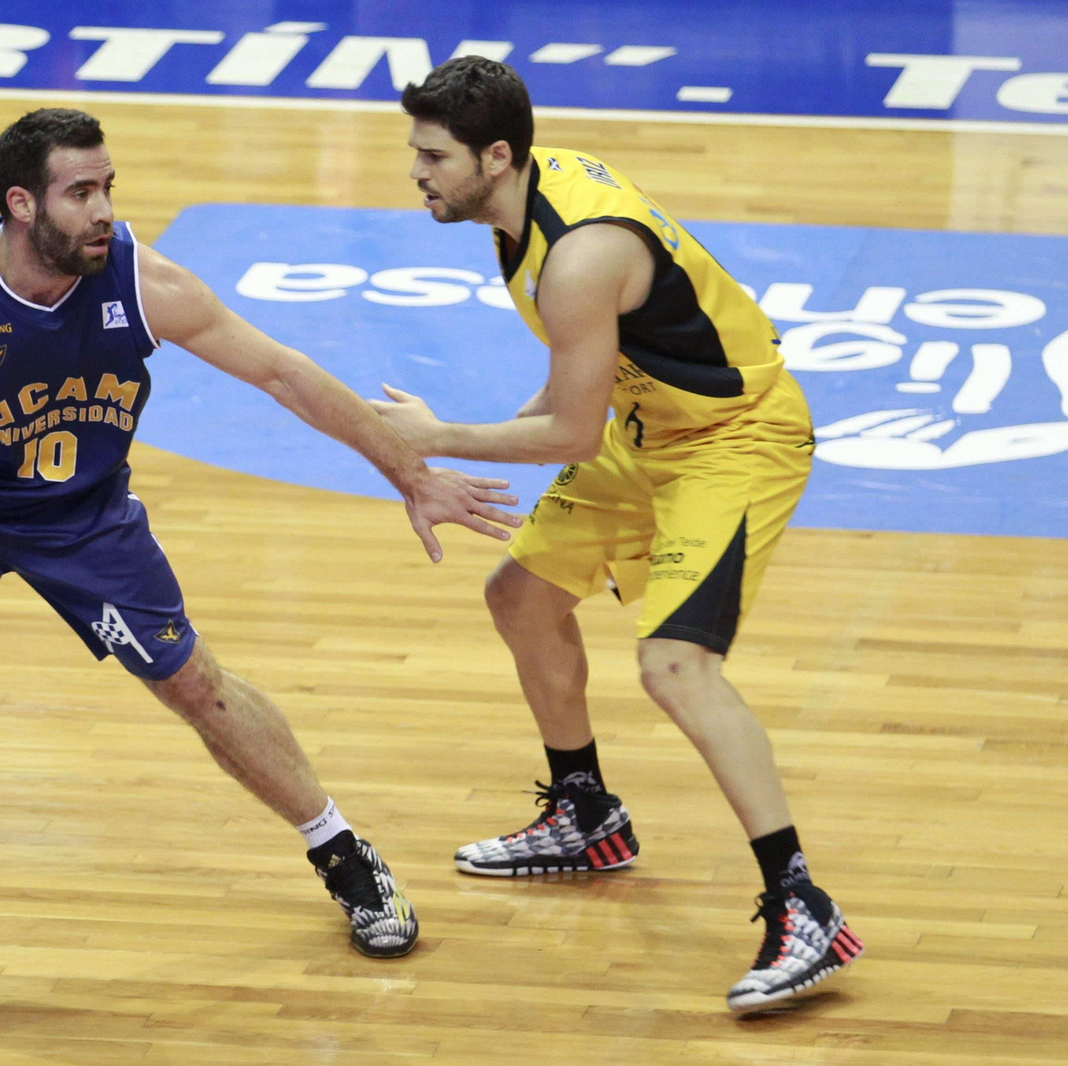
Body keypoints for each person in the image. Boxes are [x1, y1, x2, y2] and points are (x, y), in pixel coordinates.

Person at [0, 107, 523, 980]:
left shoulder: (143, 284)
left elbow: (283, 373)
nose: (105, 209)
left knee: (195, 684)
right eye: (81, 192)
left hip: (80, 515)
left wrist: (410, 473)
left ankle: (343, 854)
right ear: (20, 206)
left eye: (108, 186)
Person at [370, 58, 863, 1011]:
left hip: (734, 443)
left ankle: (804, 905)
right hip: (647, 431)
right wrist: (453, 459)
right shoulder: (521, 209)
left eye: (433, 155)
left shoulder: (581, 254)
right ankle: (585, 814)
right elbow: (575, 397)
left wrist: (436, 437)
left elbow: (567, 431)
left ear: (497, 154)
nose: (417, 172)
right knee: (520, 595)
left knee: (676, 666)